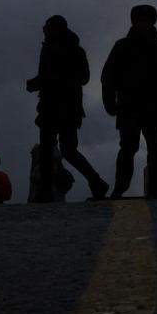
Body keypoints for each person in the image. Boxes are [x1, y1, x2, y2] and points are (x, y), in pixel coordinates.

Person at [26, 15, 109, 202]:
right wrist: (39, 82)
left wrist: (41, 82)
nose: (44, 31)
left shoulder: (66, 50)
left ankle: (94, 182)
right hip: (61, 107)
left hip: (61, 106)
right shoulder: (66, 49)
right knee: (57, 149)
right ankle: (91, 183)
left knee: (61, 149)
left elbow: (80, 77)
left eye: (46, 28)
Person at [101, 4, 157, 199]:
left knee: (155, 149)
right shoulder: (122, 46)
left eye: (146, 19)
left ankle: (155, 189)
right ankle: (120, 187)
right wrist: (110, 102)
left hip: (153, 107)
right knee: (128, 148)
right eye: (140, 19)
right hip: (129, 106)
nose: (143, 23)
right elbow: (108, 77)